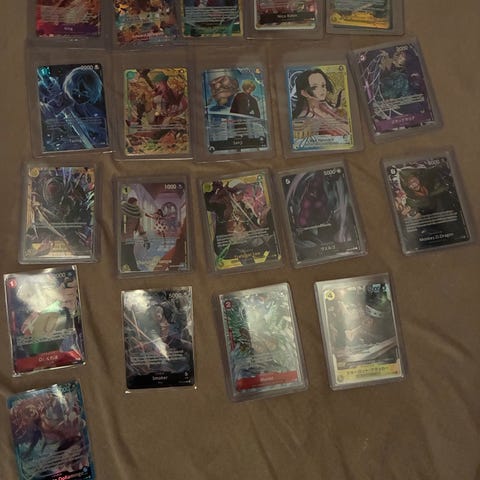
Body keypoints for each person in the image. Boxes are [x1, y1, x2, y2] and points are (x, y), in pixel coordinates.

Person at [292, 68, 350, 136]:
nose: (322, 90)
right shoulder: (306, 117)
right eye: (314, 87)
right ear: (304, 93)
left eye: (323, 85)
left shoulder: (323, 106)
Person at [120, 197, 150, 271]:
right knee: (127, 256)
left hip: (124, 240)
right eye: (135, 203)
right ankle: (133, 268)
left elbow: (140, 229)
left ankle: (133, 268)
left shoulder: (126, 215)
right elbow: (140, 229)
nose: (136, 205)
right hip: (125, 240)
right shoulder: (131, 216)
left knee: (127, 256)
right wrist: (146, 240)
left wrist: (146, 240)